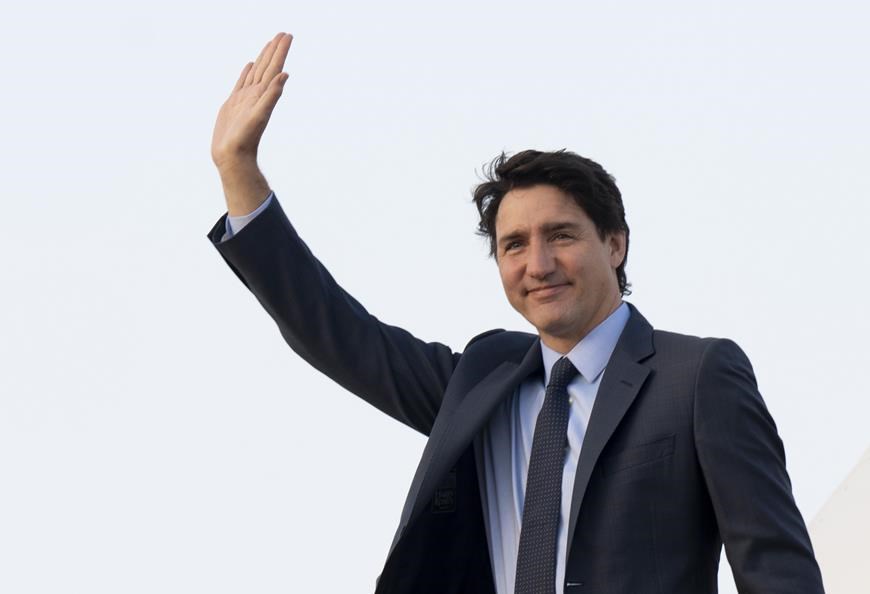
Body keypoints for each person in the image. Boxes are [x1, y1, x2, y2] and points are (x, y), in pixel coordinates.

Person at [208, 33, 826, 594]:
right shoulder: (480, 379)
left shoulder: (697, 376)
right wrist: (239, 172)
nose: (538, 264)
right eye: (513, 245)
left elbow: (777, 569)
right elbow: (337, 333)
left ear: (615, 242)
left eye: (560, 235)